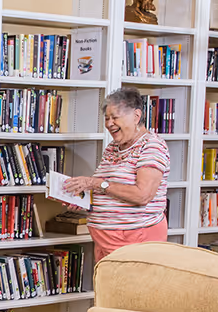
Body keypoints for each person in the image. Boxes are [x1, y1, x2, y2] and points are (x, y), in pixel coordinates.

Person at [63, 87, 170, 263]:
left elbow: (142, 195)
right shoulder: (113, 148)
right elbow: (109, 190)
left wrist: (96, 183)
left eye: (115, 117)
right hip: (106, 244)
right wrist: (83, 199)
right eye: (106, 118)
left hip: (136, 242)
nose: (109, 123)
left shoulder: (152, 146)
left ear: (136, 116)